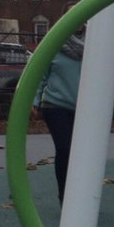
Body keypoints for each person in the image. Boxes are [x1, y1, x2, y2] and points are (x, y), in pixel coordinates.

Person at [32, 32, 84, 201]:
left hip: (82, 109)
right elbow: (40, 76)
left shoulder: (93, 47)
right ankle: (64, 195)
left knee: (80, 153)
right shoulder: (54, 46)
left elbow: (103, 76)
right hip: (55, 106)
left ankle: (79, 194)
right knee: (64, 149)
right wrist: (35, 101)